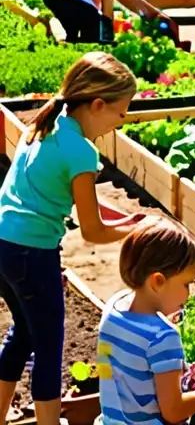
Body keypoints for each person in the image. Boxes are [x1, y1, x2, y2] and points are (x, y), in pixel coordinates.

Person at [0, 53, 146, 425]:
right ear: (97, 105)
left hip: (5, 244)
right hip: (33, 253)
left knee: (23, 335)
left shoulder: (48, 125)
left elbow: (74, 201)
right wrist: (135, 230)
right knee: (49, 346)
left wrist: (125, 218)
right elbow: (93, 231)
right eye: (120, 112)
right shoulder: (82, 150)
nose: (120, 123)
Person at [98, 218, 195, 425]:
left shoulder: (114, 306)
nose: (189, 294)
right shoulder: (162, 338)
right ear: (157, 282)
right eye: (186, 284)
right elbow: (174, 412)